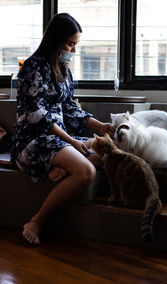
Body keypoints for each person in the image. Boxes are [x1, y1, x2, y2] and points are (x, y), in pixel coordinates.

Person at [11, 13, 114, 245]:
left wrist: (100, 126)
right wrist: (72, 142)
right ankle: (37, 221)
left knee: (106, 150)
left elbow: (69, 108)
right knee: (87, 171)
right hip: (33, 141)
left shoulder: (64, 70)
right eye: (70, 44)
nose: (73, 51)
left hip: (59, 141)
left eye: (76, 44)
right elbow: (37, 115)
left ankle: (60, 169)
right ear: (56, 40)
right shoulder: (32, 67)